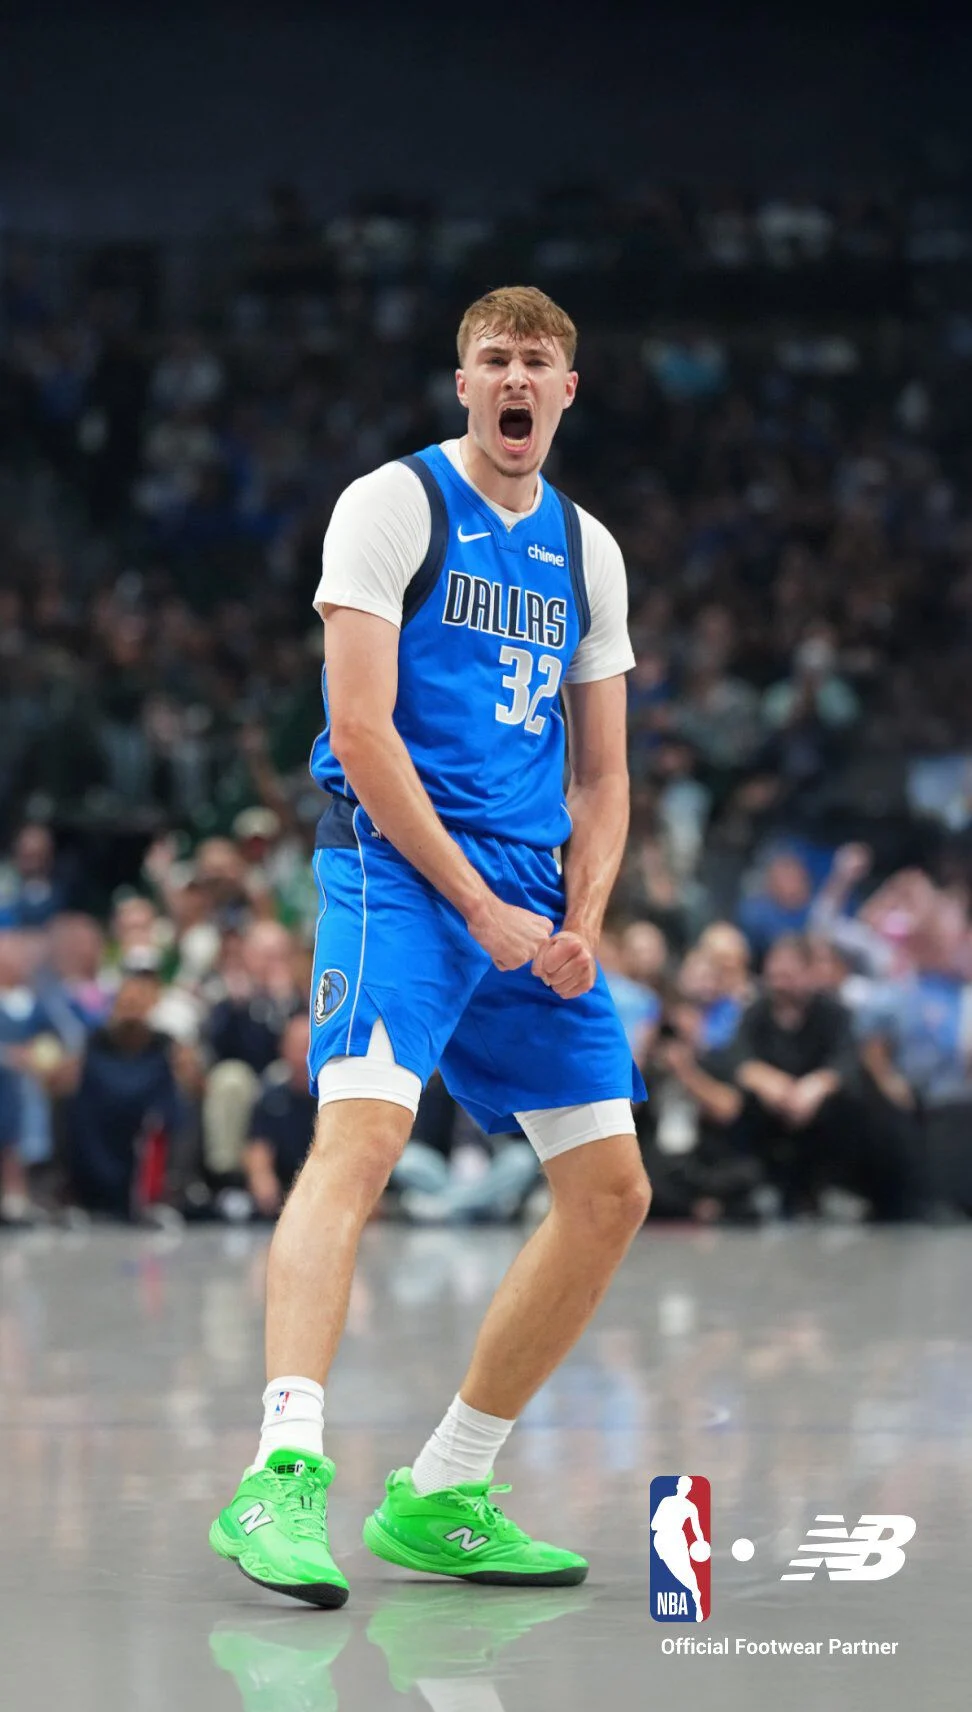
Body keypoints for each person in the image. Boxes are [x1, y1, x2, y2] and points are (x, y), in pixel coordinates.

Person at [210, 285, 651, 1606]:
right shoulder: (393, 504)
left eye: (538, 361)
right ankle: (282, 1473)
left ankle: (447, 1487)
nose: (516, 378)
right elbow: (359, 729)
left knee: (611, 1192)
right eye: (494, 359)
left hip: (526, 893)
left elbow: (604, 776)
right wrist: (474, 904)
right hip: (397, 870)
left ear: (567, 391)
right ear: (464, 384)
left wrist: (580, 922)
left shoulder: (589, 551)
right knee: (360, 1142)